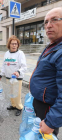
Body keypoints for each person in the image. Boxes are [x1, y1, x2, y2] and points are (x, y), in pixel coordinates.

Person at [30, 7, 62, 137]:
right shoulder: (53, 45)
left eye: (54, 20)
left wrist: (50, 122)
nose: (48, 25)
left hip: (48, 109)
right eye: (46, 22)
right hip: (41, 103)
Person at [0, 35, 27, 116]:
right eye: (12, 44)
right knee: (11, 92)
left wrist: (18, 71)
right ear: (9, 45)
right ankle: (13, 105)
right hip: (8, 77)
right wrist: (0, 75)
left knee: (17, 94)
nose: (14, 45)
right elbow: (4, 65)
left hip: (17, 78)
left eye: (16, 44)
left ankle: (19, 107)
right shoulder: (6, 53)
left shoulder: (20, 53)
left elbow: (24, 66)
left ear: (18, 45)